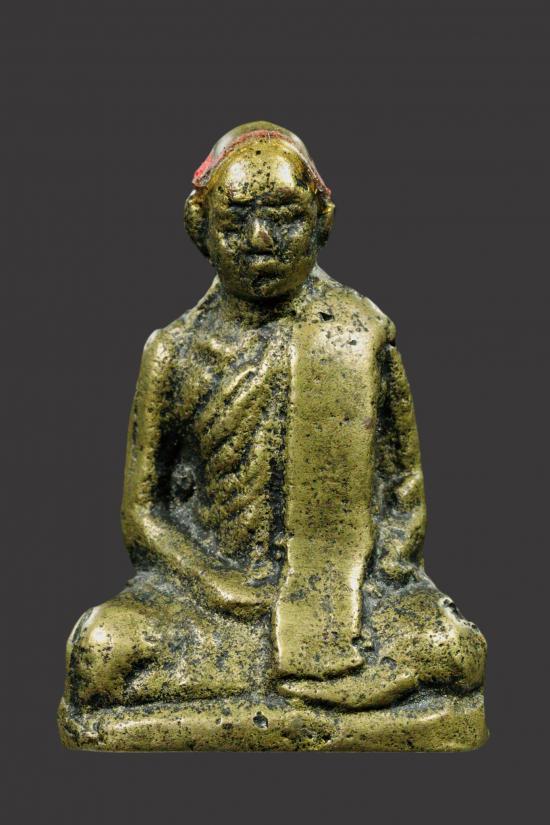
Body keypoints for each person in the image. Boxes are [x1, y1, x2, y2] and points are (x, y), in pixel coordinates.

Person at [60, 122, 486, 747]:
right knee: (101, 650)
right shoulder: (174, 352)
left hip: (344, 599)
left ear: (321, 221)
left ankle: (266, 700)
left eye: (284, 218)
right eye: (237, 222)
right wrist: (219, 587)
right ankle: (328, 703)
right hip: (210, 605)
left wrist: (379, 581)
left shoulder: (356, 334)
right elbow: (143, 517)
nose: (261, 240)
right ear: (201, 229)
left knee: (451, 647)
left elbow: (402, 489)